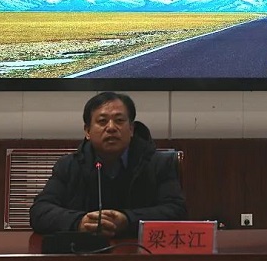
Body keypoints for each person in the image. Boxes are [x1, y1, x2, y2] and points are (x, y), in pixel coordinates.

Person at [30, 91, 187, 237]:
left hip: (138, 252)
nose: (111, 128)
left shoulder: (158, 164)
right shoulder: (68, 166)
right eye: (102, 121)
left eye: (119, 120)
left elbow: (177, 211)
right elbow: (40, 211)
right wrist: (79, 222)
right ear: (87, 131)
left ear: (131, 129)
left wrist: (128, 220)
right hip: (84, 252)